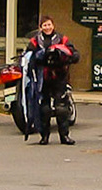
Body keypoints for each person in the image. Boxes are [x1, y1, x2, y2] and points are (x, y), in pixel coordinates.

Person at [22, 15, 79, 145]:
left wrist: (66, 56)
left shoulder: (62, 39)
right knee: (44, 108)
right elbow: (28, 56)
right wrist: (40, 57)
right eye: (44, 25)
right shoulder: (35, 41)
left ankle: (64, 136)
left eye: (49, 25)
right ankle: (44, 136)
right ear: (40, 27)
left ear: (53, 25)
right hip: (42, 79)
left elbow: (74, 53)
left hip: (59, 77)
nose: (47, 27)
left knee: (62, 108)